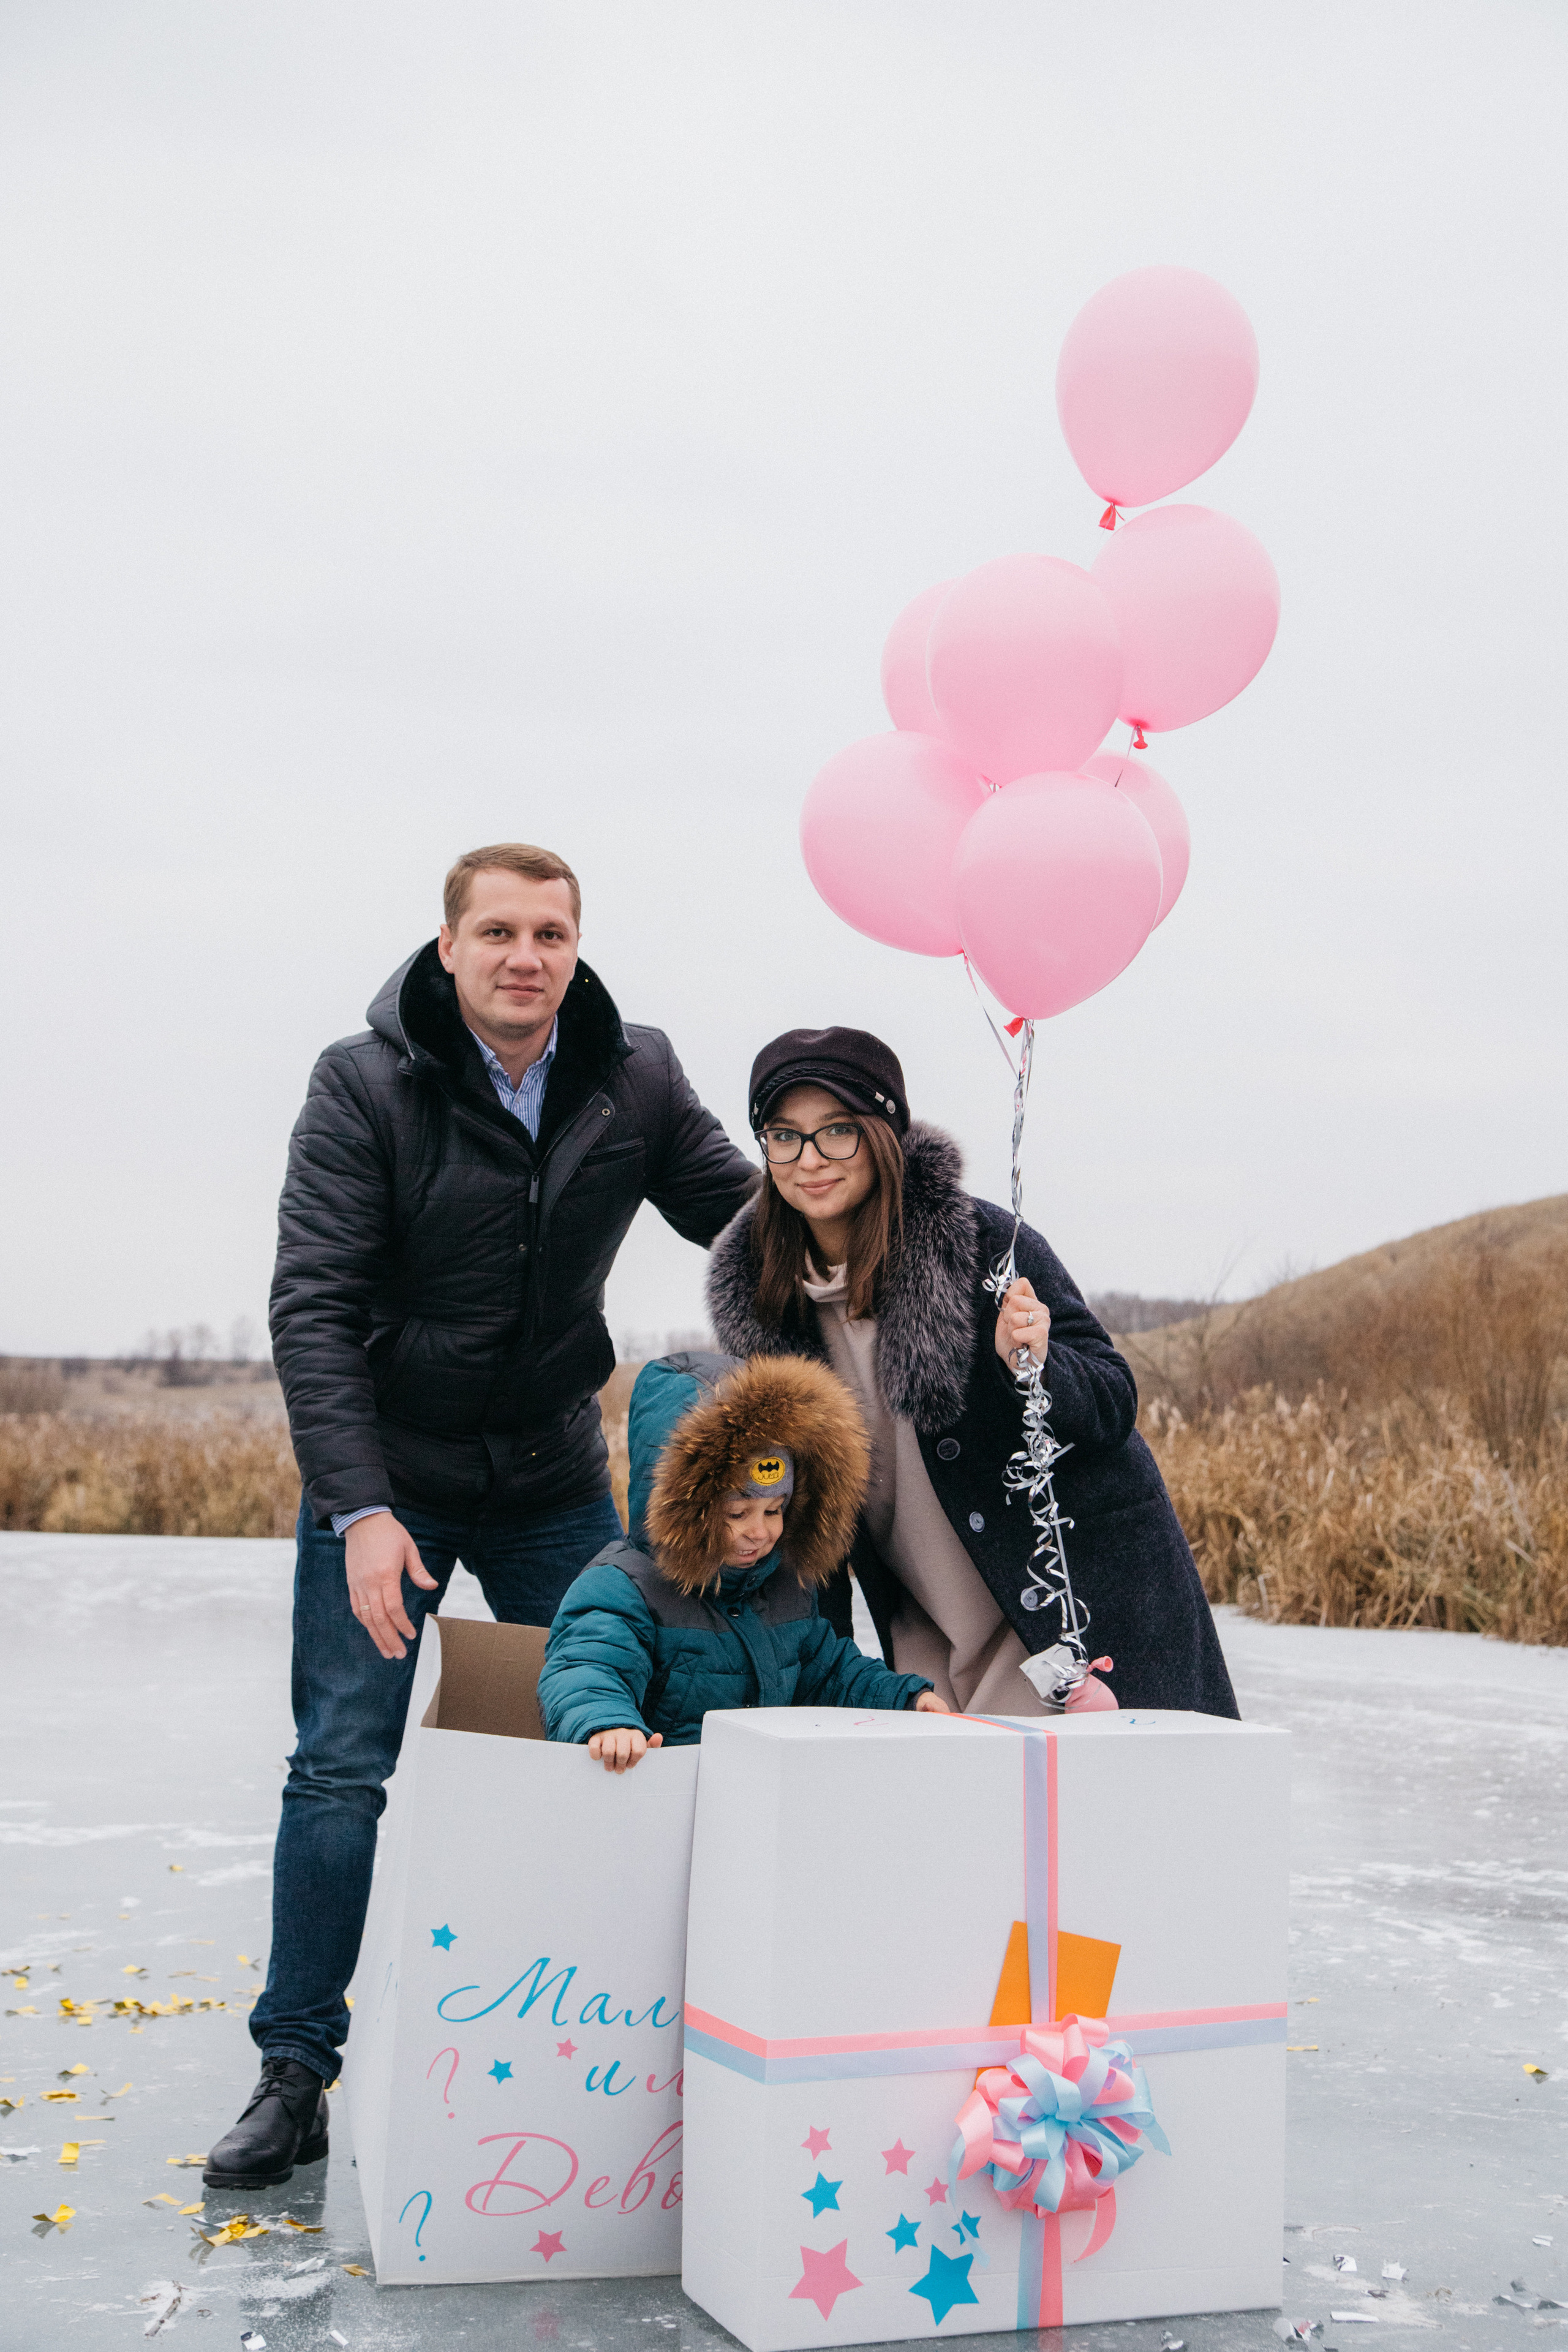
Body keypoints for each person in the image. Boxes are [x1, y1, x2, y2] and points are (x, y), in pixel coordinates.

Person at [205, 843, 757, 2191]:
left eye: (551, 933)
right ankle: (293, 2075)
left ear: (577, 948)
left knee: (643, 1720)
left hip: (551, 1475)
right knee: (341, 1761)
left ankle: (665, 2043)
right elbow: (314, 1309)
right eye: (499, 931)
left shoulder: (633, 1073)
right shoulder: (363, 1082)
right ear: (446, 947)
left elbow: (747, 1228)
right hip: (392, 1471)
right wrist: (357, 1512)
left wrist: (904, 1244)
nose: (527, 956)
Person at [706, 1026, 1239, 1721]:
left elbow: (1112, 1401)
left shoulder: (981, 1242)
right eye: (784, 1135)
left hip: (1072, 1615)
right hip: (931, 1628)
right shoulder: (767, 1304)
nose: (810, 1159)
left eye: (836, 1131)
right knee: (962, 1819)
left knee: (1111, 1821)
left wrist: (1035, 1362)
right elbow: (800, 1517)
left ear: (882, 1135)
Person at [538, 1351, 947, 1760]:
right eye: (738, 1513)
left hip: (756, 1791)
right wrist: (609, 1724)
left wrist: (902, 1699)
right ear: (688, 1508)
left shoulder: (785, 1588)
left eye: (774, 1511)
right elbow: (588, 1668)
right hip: (659, 1791)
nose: (760, 1531)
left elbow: (830, 1673)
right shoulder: (624, 1589)